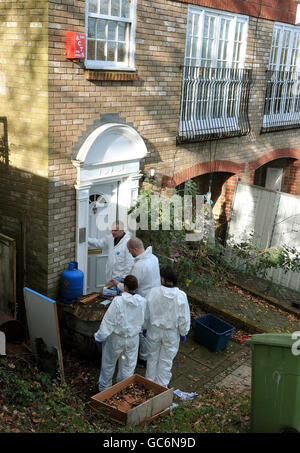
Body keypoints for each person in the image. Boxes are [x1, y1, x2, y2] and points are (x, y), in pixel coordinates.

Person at [111, 237, 161, 367]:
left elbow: (132, 287)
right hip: (155, 297)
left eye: (129, 251)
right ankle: (148, 354)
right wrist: (125, 278)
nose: (129, 253)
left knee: (142, 329)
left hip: (144, 300)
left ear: (135, 249)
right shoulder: (153, 258)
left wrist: (118, 284)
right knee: (150, 328)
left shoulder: (140, 265)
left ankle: (143, 359)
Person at [94, 275, 146, 391]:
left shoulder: (118, 301)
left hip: (116, 339)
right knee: (127, 366)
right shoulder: (142, 302)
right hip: (132, 339)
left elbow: (108, 322)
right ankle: (123, 390)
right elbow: (145, 320)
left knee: (108, 364)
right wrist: (144, 330)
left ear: (125, 287)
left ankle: (104, 390)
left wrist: (99, 337)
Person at [143, 266, 190, 388]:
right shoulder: (181, 296)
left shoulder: (153, 292)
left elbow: (146, 313)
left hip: (154, 330)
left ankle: (149, 385)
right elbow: (184, 318)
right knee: (166, 361)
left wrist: (144, 327)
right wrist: (183, 332)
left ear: (163, 279)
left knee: (152, 358)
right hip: (171, 333)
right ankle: (161, 389)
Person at [88, 220, 134, 284]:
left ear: (122, 230)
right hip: (110, 278)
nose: (113, 232)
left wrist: (123, 279)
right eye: (112, 230)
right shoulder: (110, 238)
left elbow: (130, 264)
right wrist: (86, 239)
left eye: (115, 230)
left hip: (120, 280)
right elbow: (100, 243)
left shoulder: (128, 243)